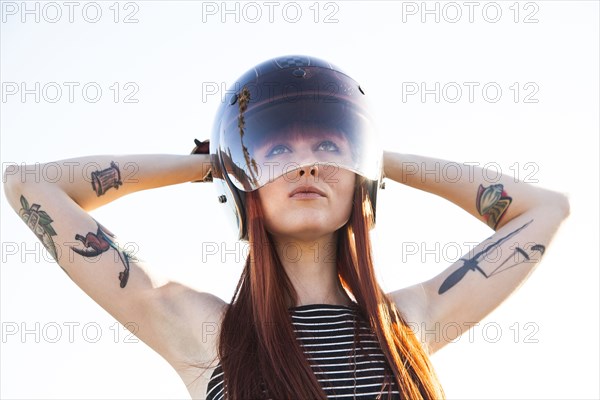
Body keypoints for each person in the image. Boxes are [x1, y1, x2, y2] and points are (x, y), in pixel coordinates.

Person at [3, 55, 569, 399]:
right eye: (274, 149)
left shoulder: (407, 326)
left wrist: (375, 156)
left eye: (327, 143)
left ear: (359, 179)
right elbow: (28, 185)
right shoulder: (206, 333)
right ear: (245, 177)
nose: (304, 165)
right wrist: (214, 163)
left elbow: (545, 210)